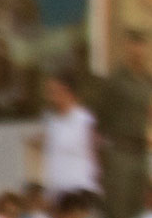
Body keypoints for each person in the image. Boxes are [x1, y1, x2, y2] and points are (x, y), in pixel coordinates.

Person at [91, 31, 152, 218]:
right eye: (134, 45)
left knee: (138, 209)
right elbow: (100, 121)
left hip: (141, 153)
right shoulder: (114, 80)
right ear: (126, 47)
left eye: (142, 45)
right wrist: (101, 159)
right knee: (117, 209)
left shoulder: (149, 82)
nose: (138, 50)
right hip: (119, 152)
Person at [29, 73, 100, 206]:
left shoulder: (84, 119)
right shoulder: (49, 120)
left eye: (54, 91)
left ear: (67, 92)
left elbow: (93, 154)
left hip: (79, 188)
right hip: (55, 190)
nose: (50, 96)